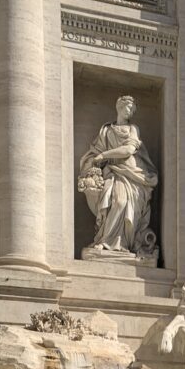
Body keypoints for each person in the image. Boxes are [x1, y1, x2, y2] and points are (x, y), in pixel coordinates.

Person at [78, 94, 159, 258]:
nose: (130, 111)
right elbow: (95, 151)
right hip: (111, 172)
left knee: (122, 202)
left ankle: (121, 244)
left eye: (132, 109)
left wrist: (105, 155)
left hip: (131, 174)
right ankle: (105, 240)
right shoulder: (106, 130)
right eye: (128, 107)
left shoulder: (133, 129)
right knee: (111, 202)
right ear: (119, 107)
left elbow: (129, 150)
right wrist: (94, 163)